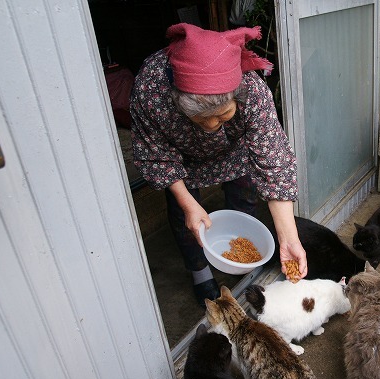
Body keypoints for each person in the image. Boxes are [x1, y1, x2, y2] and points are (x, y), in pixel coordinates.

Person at [130, 23, 308, 307]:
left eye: (223, 115)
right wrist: (187, 202)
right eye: (202, 119)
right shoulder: (152, 89)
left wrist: (288, 238)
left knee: (244, 197)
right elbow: (156, 152)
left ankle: (241, 261)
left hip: (234, 151)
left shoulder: (251, 89)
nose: (212, 126)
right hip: (182, 157)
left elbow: (274, 163)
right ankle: (200, 271)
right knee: (186, 216)